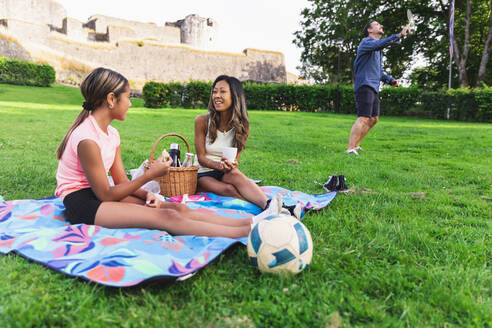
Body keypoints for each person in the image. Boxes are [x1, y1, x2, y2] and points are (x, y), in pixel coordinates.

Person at [55, 68, 280, 238]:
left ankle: (255, 220)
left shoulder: (112, 134)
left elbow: (121, 181)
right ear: (112, 99)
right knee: (165, 217)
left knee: (177, 207)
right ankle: (251, 232)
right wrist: (149, 176)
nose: (130, 103)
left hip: (101, 193)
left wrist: (147, 194)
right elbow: (106, 194)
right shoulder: (87, 138)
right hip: (83, 203)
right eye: (128, 97)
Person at [194, 75, 271, 210]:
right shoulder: (202, 121)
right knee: (229, 190)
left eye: (222, 91)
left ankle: (271, 205)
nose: (216, 96)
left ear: (234, 96)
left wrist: (231, 165)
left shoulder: (242, 126)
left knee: (237, 176)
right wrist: (218, 165)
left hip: (224, 172)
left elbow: (234, 159)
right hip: (202, 173)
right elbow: (201, 158)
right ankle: (262, 209)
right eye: (214, 91)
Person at [347, 21, 410, 155]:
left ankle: (357, 145)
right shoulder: (366, 42)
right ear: (370, 30)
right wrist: (399, 35)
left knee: (374, 119)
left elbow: (379, 71)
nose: (381, 25)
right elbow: (380, 44)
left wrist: (390, 80)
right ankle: (350, 148)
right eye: (377, 24)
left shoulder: (377, 51)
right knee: (363, 117)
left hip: (374, 87)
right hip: (364, 85)